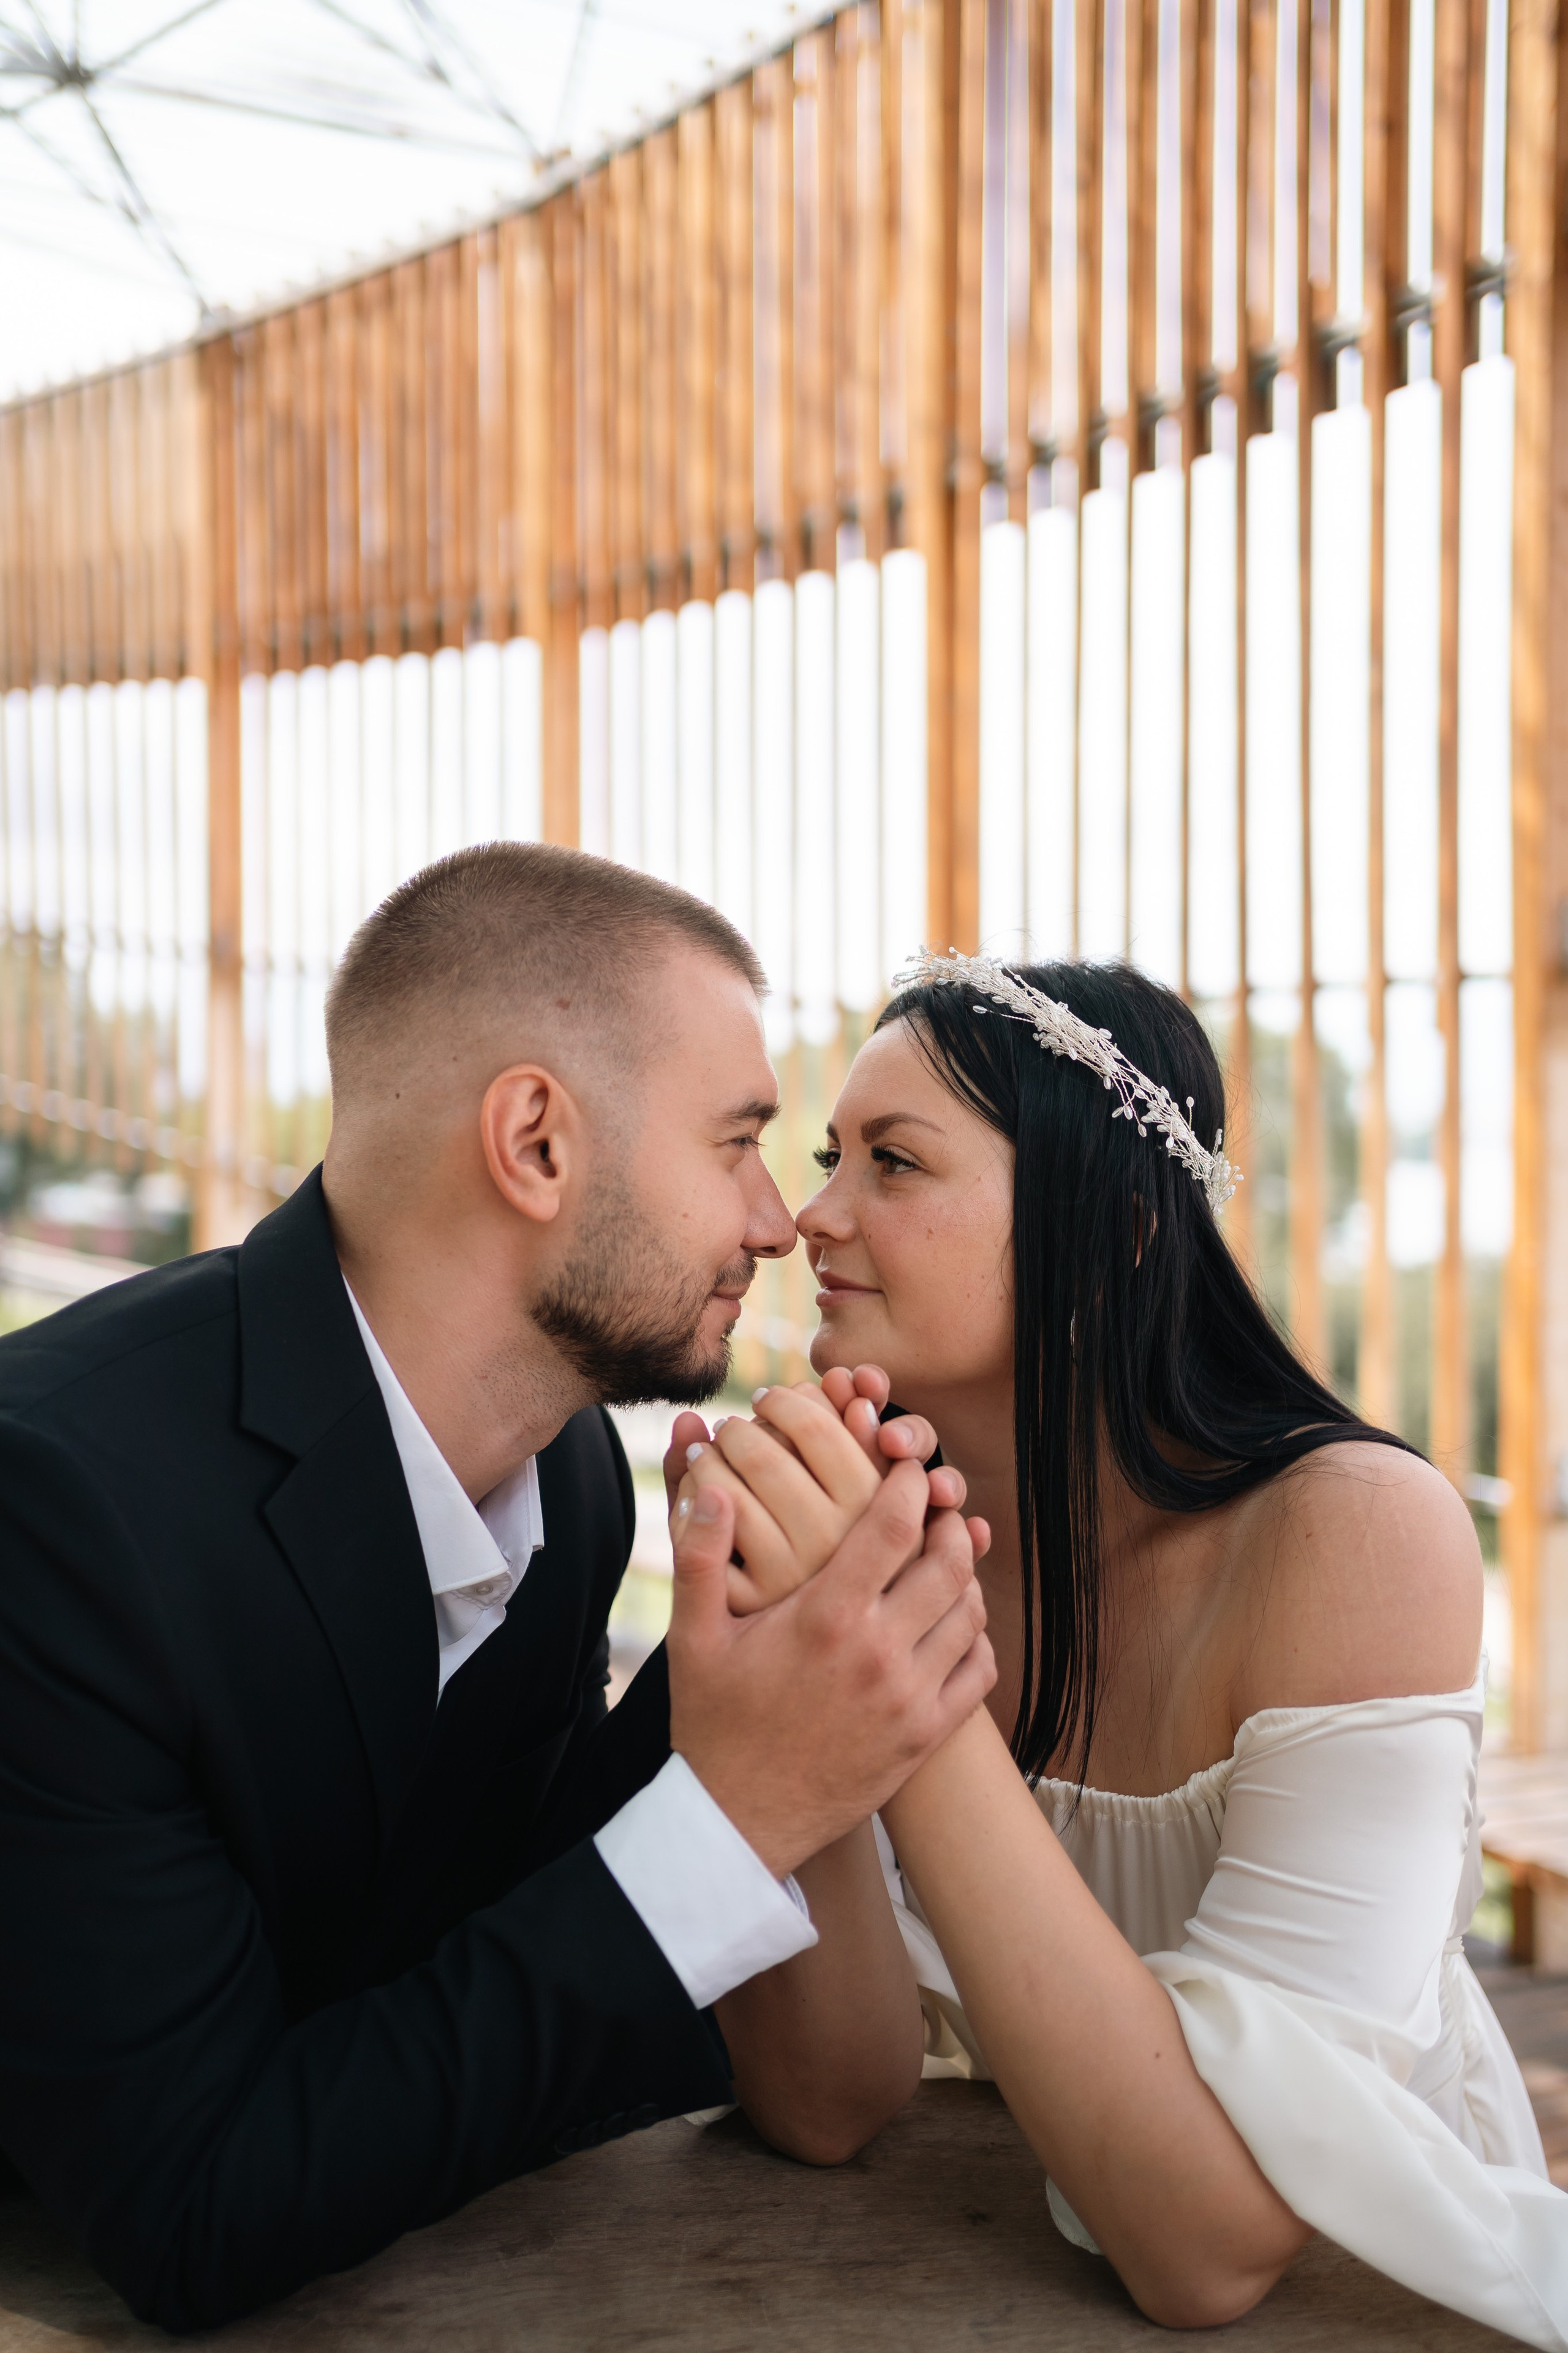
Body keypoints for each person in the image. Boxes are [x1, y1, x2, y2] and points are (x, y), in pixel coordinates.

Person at [0, 846, 995, 2333]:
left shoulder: (577, 1478)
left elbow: (471, 1917)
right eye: (736, 1143)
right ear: (534, 1140)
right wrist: (733, 1816)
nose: (777, 1222)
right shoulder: (58, 1509)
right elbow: (191, 2206)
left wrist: (771, 1649)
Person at [671, 949, 1568, 2352]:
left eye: (893, 1163)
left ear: (1123, 1232)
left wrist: (904, 1674)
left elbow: (1207, 2252)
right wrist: (789, 1654)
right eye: (825, 1155)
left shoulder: (1350, 1539)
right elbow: (826, 2099)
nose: (807, 1217)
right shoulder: (888, 1520)